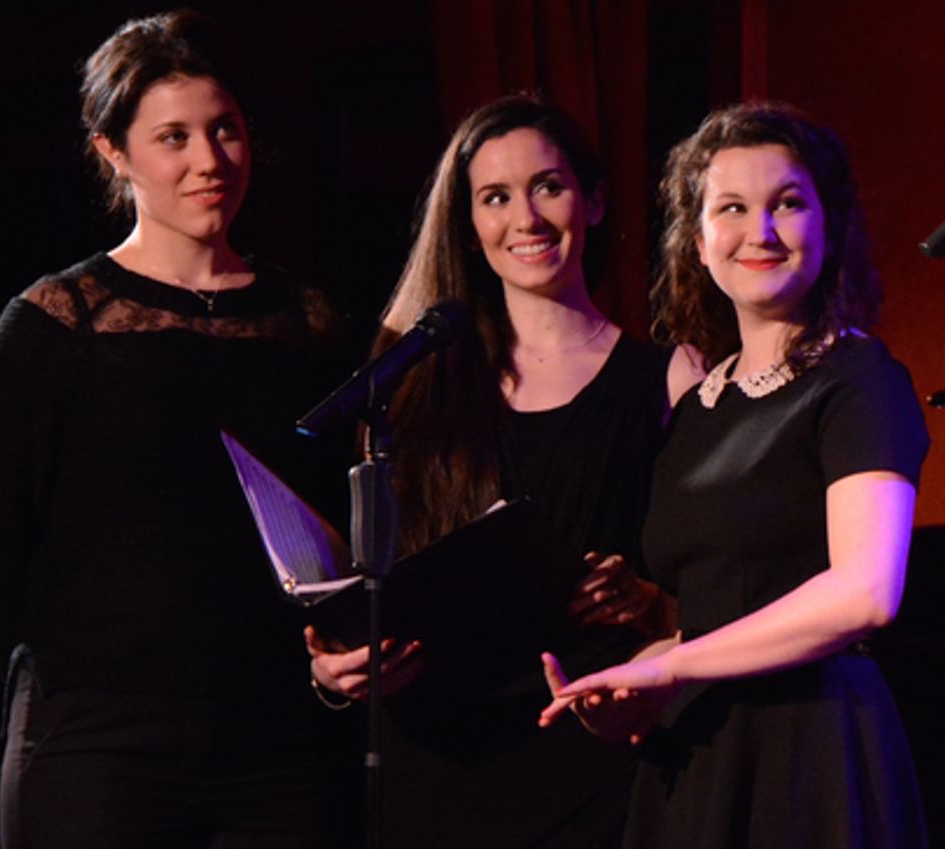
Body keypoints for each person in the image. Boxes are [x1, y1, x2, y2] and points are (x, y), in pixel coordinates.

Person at [0, 11, 347, 849]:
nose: (210, 161)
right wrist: (70, 679)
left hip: (273, 739)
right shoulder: (56, 324)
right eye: (174, 137)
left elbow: (338, 517)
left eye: (224, 130)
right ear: (114, 153)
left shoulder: (301, 322)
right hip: (98, 744)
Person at [307, 95, 702, 848]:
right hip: (440, 759)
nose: (525, 217)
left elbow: (714, 587)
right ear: (468, 221)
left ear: (593, 199)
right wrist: (334, 666)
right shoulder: (414, 381)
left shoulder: (670, 377)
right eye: (495, 197)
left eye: (547, 187)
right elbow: (360, 585)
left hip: (594, 748)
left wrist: (649, 600)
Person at [540, 102, 931, 848]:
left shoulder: (857, 378)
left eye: (788, 203)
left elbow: (867, 593)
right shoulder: (699, 404)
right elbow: (715, 612)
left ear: (828, 223)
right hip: (699, 749)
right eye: (733, 208)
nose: (762, 232)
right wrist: (634, 680)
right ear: (698, 238)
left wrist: (675, 667)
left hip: (813, 744)